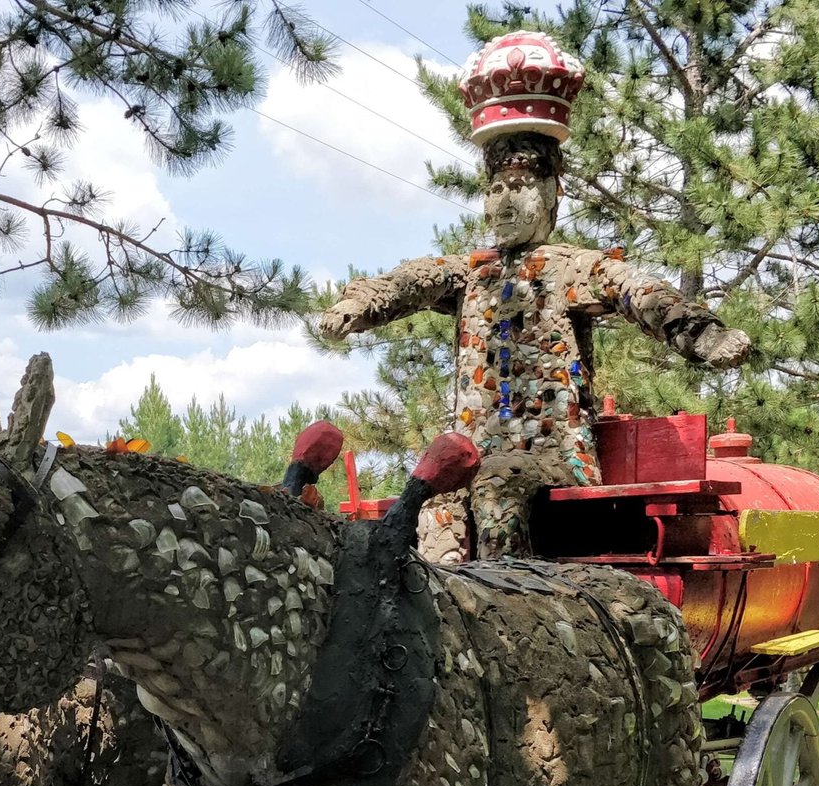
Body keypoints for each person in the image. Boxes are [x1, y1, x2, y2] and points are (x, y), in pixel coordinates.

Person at [320, 30, 750, 559]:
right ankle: (439, 604)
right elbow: (414, 279)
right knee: (435, 500)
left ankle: (511, 602)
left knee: (497, 486)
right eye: (496, 188)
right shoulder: (472, 273)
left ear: (551, 192)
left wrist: (702, 334)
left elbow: (636, 290)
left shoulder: (567, 268)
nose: (505, 200)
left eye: (521, 185)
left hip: (555, 454)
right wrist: (360, 304)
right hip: (471, 452)